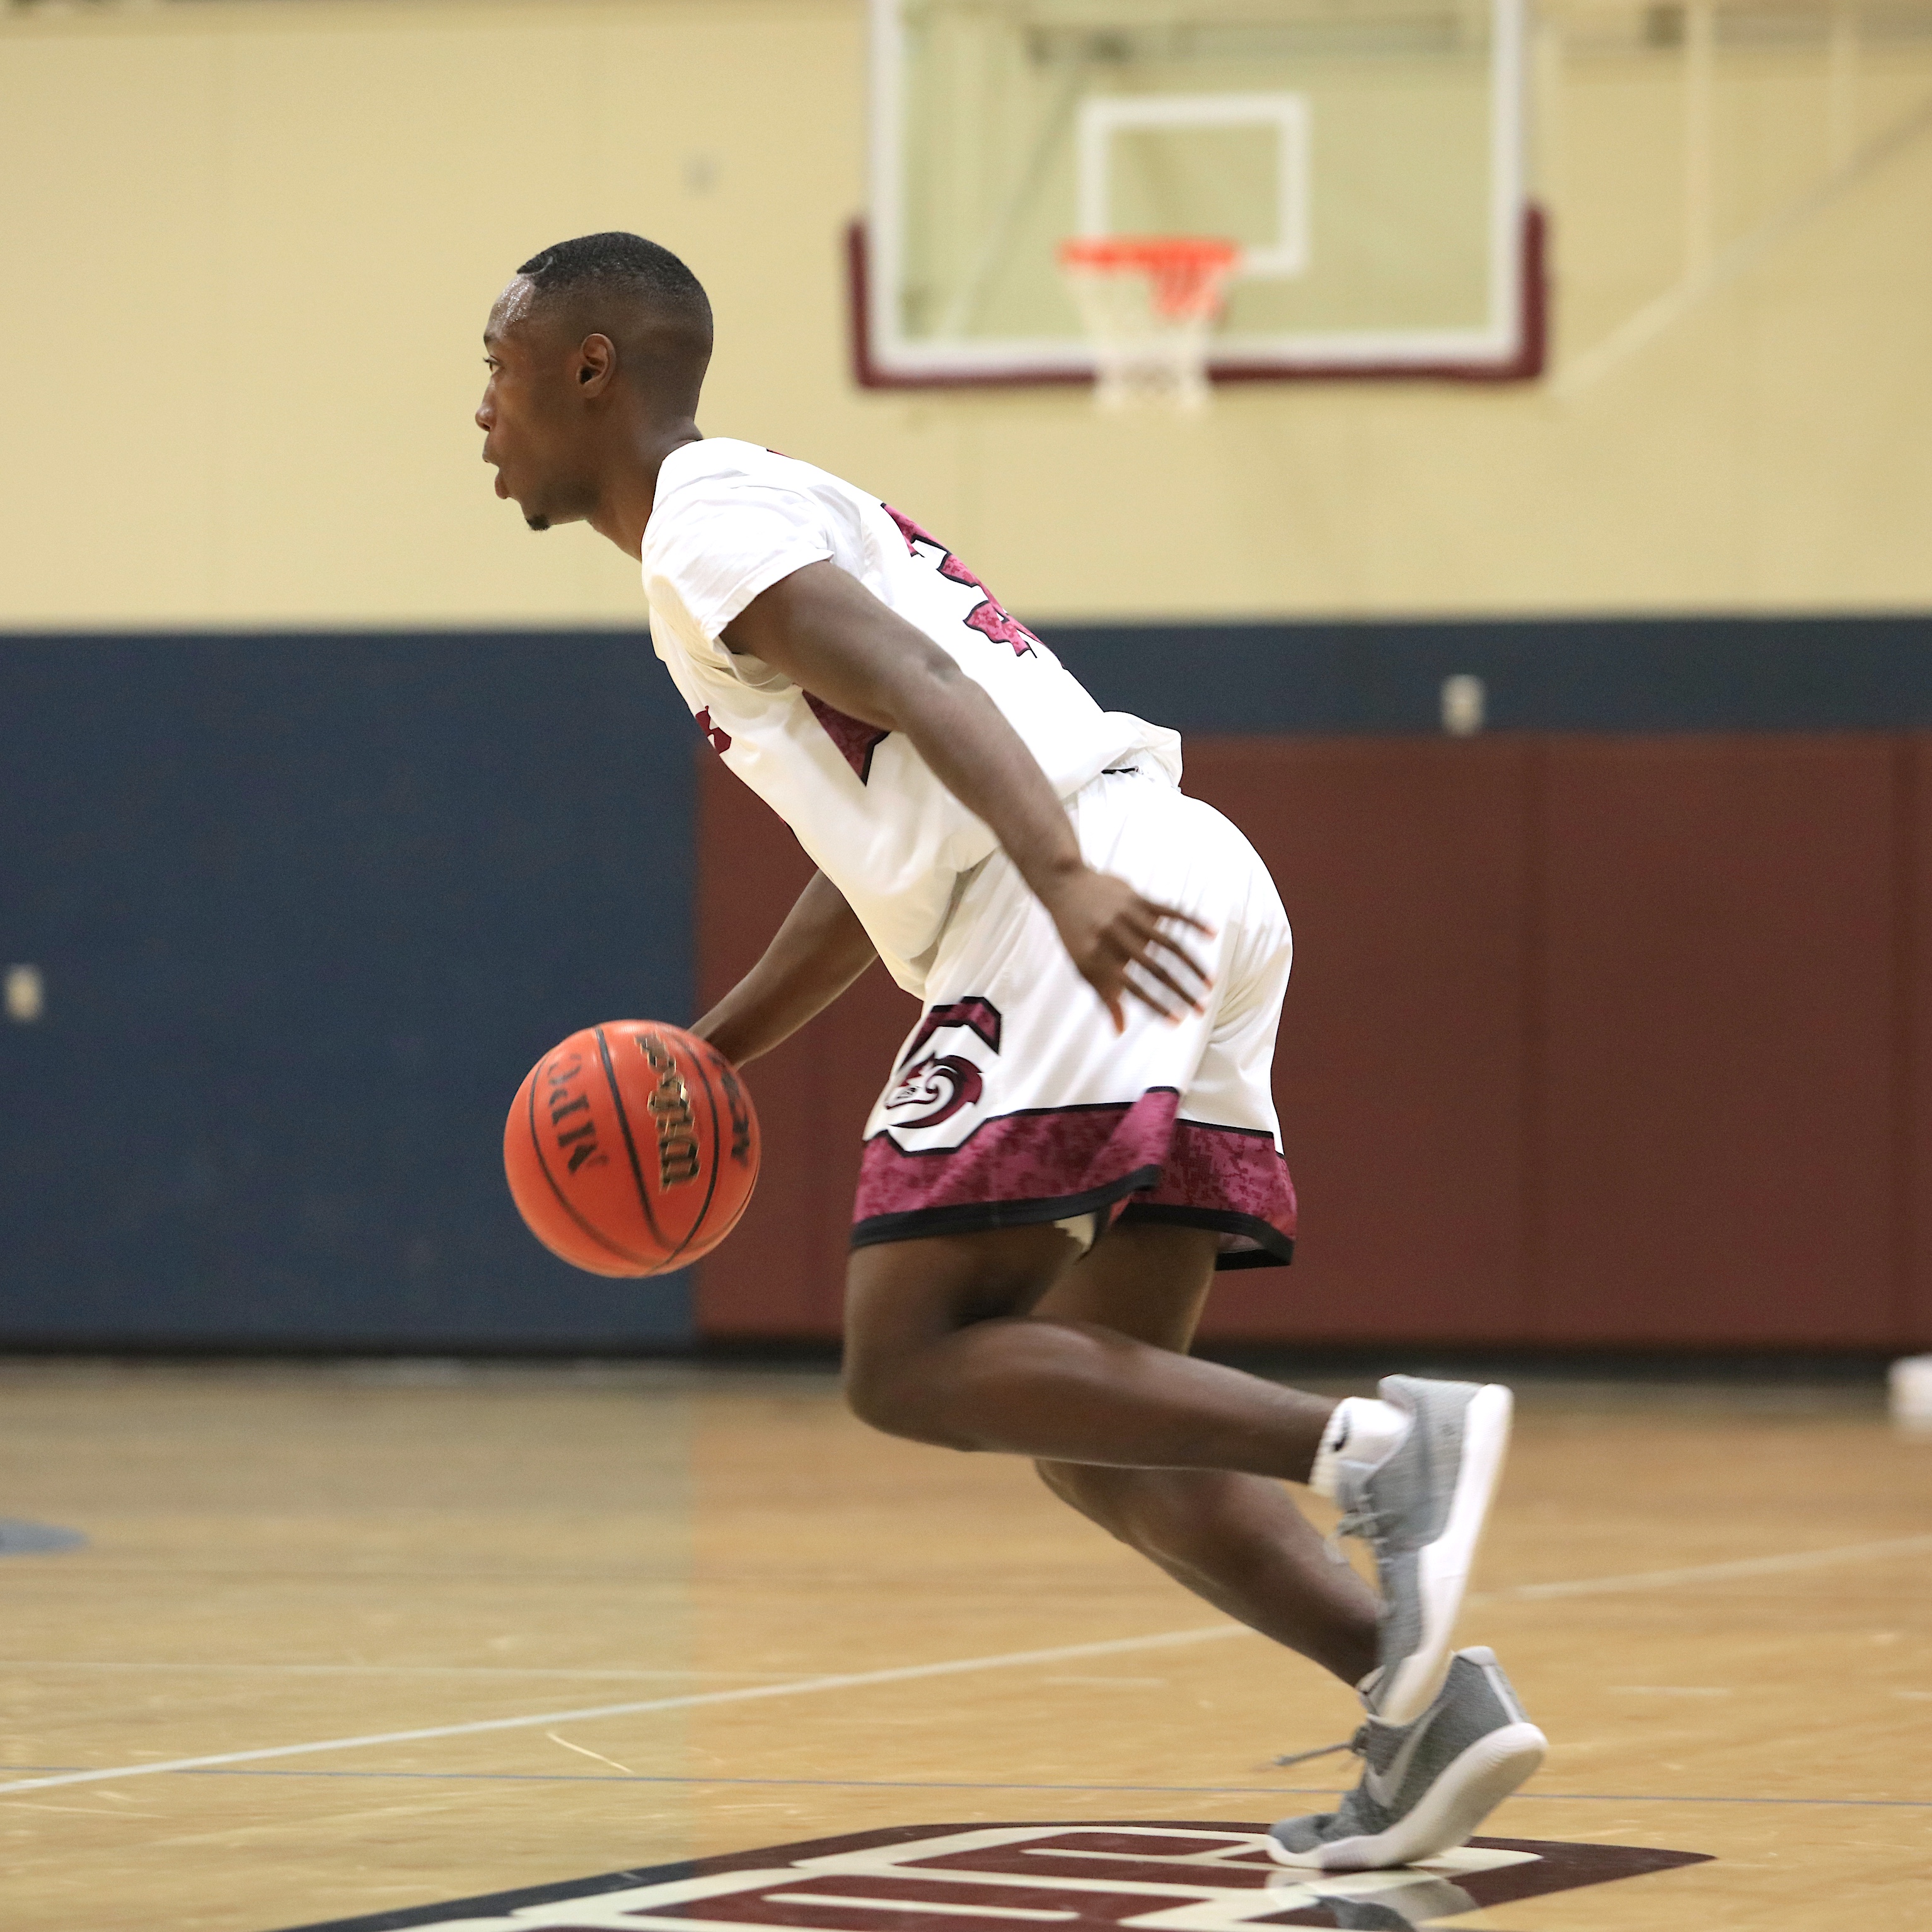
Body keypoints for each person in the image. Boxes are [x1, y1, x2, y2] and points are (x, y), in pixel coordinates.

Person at [477, 231, 1546, 1870]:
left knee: (905, 1358)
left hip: (1071, 888)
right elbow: (866, 859)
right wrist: (712, 1054)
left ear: (590, 367)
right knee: (1094, 1433)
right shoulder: (752, 513)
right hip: (1174, 870)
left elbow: (908, 675)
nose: (481, 415)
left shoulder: (702, 524)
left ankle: (1381, 1446)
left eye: (497, 371)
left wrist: (1055, 878)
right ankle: (1422, 1710)